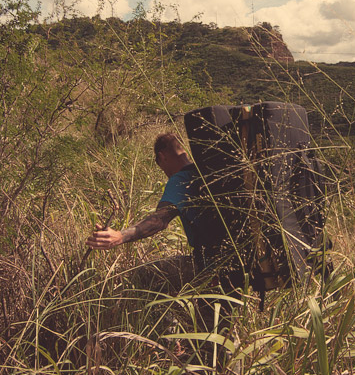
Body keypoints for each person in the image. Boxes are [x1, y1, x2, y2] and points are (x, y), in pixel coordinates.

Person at [85, 132, 241, 344]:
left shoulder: (181, 179)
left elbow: (160, 220)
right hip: (240, 265)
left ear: (162, 157)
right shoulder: (209, 172)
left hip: (208, 266)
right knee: (222, 336)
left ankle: (170, 339)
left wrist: (121, 236)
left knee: (145, 276)